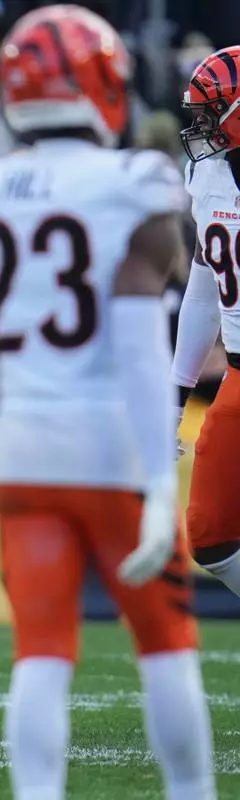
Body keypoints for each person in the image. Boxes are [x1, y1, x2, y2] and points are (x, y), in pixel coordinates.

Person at [0, 7, 214, 799]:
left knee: (41, 653)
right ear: (103, 84)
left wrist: (28, 405)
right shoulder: (134, 181)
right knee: (166, 645)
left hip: (25, 450)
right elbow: (137, 343)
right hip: (115, 447)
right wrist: (156, 479)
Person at [173, 45, 240, 601]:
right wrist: (177, 392)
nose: (199, 126)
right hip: (239, 376)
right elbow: (202, 288)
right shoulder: (208, 174)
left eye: (209, 112)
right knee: (211, 536)